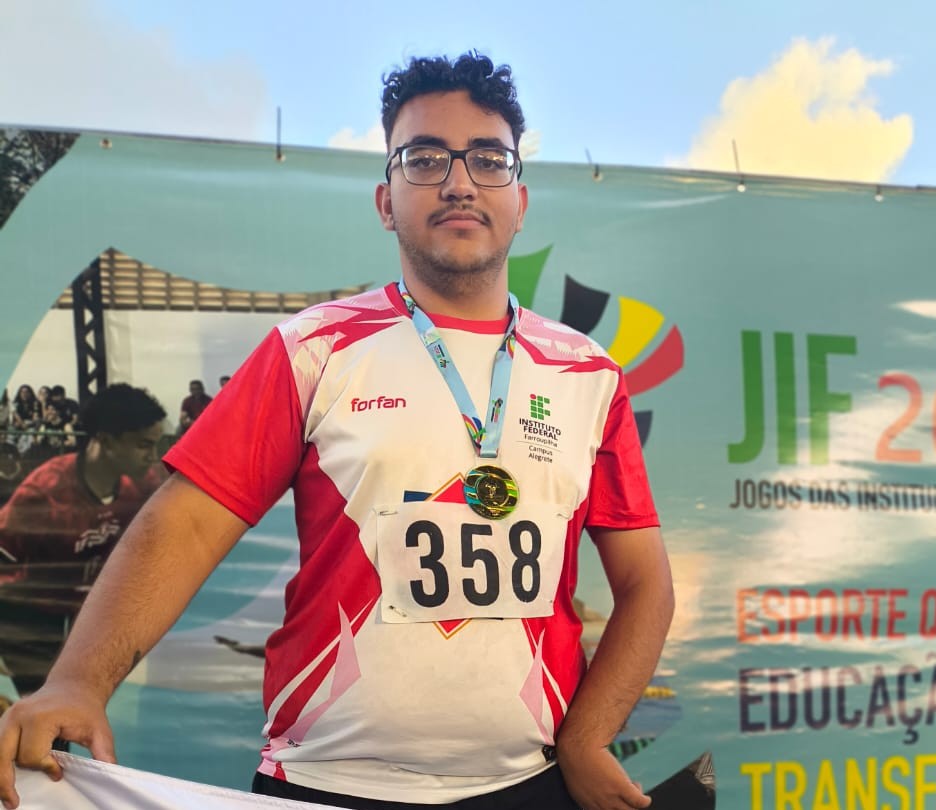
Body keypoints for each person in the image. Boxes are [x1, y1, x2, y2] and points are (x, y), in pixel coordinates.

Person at [0, 52, 674, 810]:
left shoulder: (587, 373)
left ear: (520, 201)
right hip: (327, 783)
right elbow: (183, 524)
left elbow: (644, 583)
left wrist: (586, 738)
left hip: (529, 783)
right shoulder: (312, 350)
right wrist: (76, 682)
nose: (459, 182)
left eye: (488, 160)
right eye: (425, 158)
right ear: (386, 201)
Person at [0, 384, 166, 699]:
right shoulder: (45, 491)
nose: (152, 456)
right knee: (47, 708)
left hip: (86, 614)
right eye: (143, 445)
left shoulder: (144, 484)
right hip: (29, 616)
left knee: (75, 704)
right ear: (106, 440)